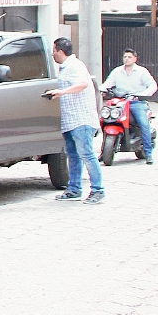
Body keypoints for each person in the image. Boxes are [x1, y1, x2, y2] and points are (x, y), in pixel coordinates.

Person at [47, 37, 104, 204]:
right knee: (73, 155)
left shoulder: (75, 66)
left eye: (54, 51)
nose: (53, 54)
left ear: (61, 51)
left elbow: (83, 84)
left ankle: (98, 190)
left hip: (81, 119)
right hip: (70, 119)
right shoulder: (64, 68)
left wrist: (62, 92)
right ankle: (74, 189)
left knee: (87, 154)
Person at [100, 48, 158, 164]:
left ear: (135, 59)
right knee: (107, 120)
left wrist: (142, 94)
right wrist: (102, 89)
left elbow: (153, 86)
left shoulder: (142, 71)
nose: (127, 59)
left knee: (143, 124)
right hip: (120, 102)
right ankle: (103, 152)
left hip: (136, 102)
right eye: (125, 57)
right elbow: (108, 83)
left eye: (129, 57)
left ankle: (148, 153)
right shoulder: (117, 71)